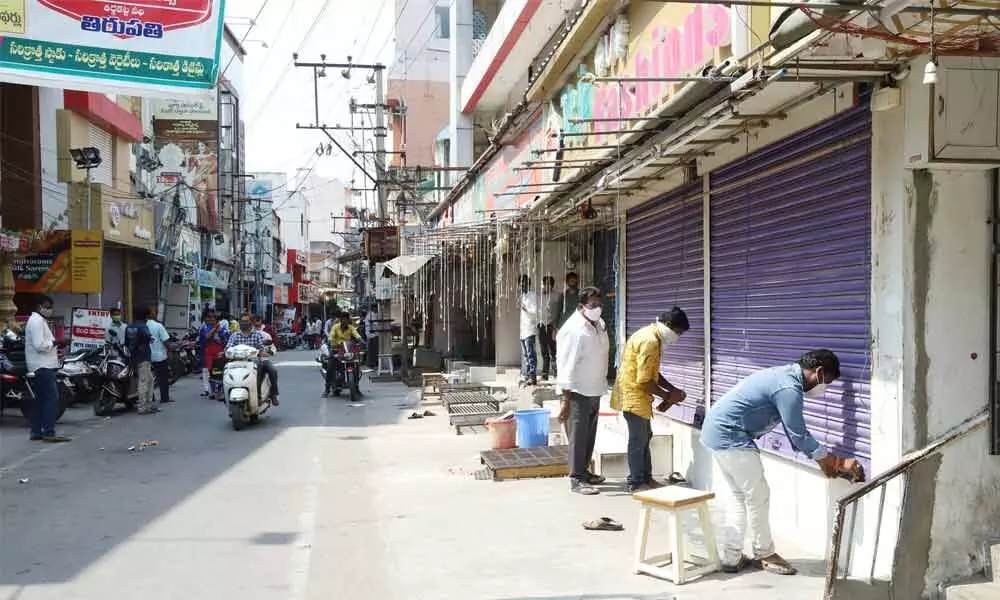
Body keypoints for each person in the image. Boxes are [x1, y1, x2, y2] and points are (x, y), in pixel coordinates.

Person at [701, 349, 865, 575]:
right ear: (817, 372)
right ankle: (764, 553)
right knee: (758, 495)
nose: (823, 388)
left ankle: (732, 557)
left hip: (716, 431)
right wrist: (835, 461)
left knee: (741, 496)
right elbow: (797, 433)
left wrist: (822, 460)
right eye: (826, 382)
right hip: (730, 435)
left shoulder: (784, 376)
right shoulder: (789, 388)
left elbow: (794, 435)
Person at [612, 306, 690, 492]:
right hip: (633, 395)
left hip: (637, 395)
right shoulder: (650, 341)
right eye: (678, 332)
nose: (678, 337)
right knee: (638, 440)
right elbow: (645, 381)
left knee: (646, 436)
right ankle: (636, 482)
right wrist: (668, 396)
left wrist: (671, 390)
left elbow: (652, 372)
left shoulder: (652, 335)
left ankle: (646, 478)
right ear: (669, 325)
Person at [556, 286, 610, 495]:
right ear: (581, 307)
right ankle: (576, 478)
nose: (597, 308)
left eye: (599, 304)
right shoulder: (573, 330)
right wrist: (565, 400)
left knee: (589, 435)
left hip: (595, 388)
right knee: (577, 436)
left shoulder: (599, 324)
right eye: (592, 305)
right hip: (577, 391)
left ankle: (585, 471)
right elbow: (566, 364)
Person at [24, 296, 70, 442]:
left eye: (51, 306)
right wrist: (57, 341)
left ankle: (36, 431)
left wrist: (57, 344)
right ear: (39, 307)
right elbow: (40, 345)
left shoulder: (38, 321)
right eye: (47, 306)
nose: (50, 309)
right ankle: (48, 432)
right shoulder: (37, 322)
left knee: (41, 400)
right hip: (42, 366)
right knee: (51, 399)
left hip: (41, 365)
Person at [226, 316, 280, 405]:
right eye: (242, 321)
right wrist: (226, 353)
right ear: (239, 323)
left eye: (246, 321)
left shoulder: (257, 335)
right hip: (238, 362)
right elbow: (228, 348)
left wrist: (263, 352)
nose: (244, 323)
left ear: (250, 323)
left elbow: (262, 348)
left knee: (272, 370)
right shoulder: (234, 336)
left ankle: (272, 394)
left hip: (256, 360)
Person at [324, 312, 364, 397]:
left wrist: (361, 341)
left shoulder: (351, 328)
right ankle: (327, 389)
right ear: (341, 320)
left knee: (356, 366)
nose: (345, 321)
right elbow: (331, 337)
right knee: (330, 367)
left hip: (347, 351)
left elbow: (357, 336)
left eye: (347, 319)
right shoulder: (335, 327)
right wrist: (331, 342)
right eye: (343, 319)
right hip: (336, 350)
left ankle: (356, 388)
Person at [126, 314, 156, 415]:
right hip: (143, 357)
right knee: (143, 382)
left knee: (150, 380)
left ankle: (148, 405)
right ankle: (142, 407)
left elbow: (126, 342)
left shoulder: (129, 326)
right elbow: (148, 336)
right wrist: (150, 339)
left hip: (134, 357)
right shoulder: (143, 326)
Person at [144, 305, 172, 404]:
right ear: (151, 313)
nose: (156, 313)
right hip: (160, 357)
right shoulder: (158, 326)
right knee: (163, 379)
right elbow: (166, 341)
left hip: (147, 357)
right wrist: (169, 351)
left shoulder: (143, 326)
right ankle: (164, 398)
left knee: (148, 379)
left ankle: (151, 397)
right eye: (154, 311)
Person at [198, 311, 229, 397]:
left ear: (217, 321)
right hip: (209, 352)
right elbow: (207, 337)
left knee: (219, 371)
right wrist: (214, 329)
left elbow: (226, 340)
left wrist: (220, 332)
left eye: (213, 320)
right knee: (210, 371)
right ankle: (213, 391)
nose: (211, 321)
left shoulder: (223, 329)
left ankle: (219, 390)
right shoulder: (205, 328)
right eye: (209, 319)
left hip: (219, 352)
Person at [518, 275, 539, 385]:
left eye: (524, 282)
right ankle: (527, 375)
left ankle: (532, 376)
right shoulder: (522, 296)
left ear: (528, 284)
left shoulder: (532, 295)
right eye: (520, 283)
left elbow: (535, 312)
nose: (522, 285)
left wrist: (526, 309)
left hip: (530, 329)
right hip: (523, 330)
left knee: (531, 353)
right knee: (525, 354)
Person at [537, 275, 558, 381]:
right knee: (543, 350)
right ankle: (544, 374)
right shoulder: (539, 296)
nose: (547, 285)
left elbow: (558, 311)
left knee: (553, 350)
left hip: (551, 325)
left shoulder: (556, 296)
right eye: (545, 283)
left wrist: (556, 326)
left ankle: (556, 373)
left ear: (553, 285)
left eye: (549, 283)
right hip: (541, 325)